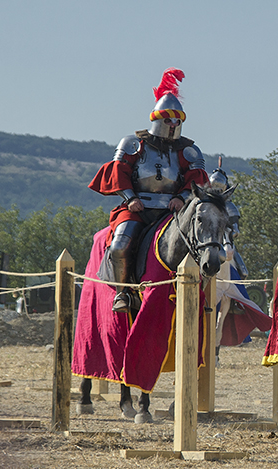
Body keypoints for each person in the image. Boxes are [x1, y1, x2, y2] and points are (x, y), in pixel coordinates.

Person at [88, 68, 209, 312]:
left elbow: (196, 179)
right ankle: (123, 294)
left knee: (207, 241)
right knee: (120, 245)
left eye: (178, 120)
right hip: (138, 207)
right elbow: (118, 172)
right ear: (157, 119)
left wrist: (182, 197)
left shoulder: (188, 151)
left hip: (172, 211)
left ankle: (203, 294)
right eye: (168, 120)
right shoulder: (133, 144)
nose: (173, 125)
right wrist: (130, 198)